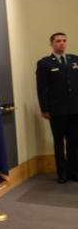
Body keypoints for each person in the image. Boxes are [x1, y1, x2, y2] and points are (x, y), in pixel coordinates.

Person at [36, 32, 78, 183]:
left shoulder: (75, 60)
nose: (62, 43)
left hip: (75, 110)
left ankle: (74, 172)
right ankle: (62, 174)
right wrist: (44, 109)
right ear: (52, 44)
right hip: (57, 111)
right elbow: (42, 88)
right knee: (59, 142)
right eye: (58, 41)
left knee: (74, 142)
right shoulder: (45, 63)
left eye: (64, 41)